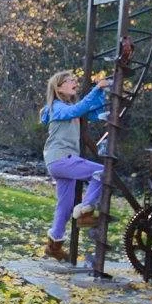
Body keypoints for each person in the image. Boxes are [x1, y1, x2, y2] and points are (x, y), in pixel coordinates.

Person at [39, 71, 112, 260]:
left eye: (74, 79)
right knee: (102, 172)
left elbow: (92, 112)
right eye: (69, 80)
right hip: (61, 159)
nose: (75, 82)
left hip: (60, 161)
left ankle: (54, 245)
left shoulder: (69, 108)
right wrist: (96, 88)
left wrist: (101, 93)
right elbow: (78, 109)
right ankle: (85, 210)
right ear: (59, 87)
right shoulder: (56, 107)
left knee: (64, 205)